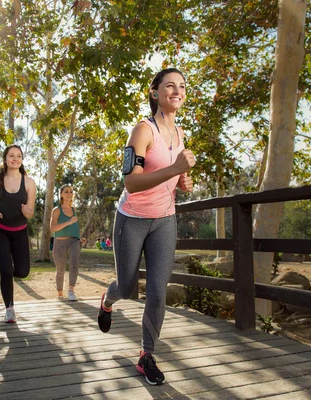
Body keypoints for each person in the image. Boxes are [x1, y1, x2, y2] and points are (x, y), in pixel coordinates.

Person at [97, 68, 195, 386]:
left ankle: (146, 355)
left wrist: (185, 179)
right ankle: (108, 300)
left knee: (156, 293)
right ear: (155, 93)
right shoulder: (142, 131)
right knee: (127, 289)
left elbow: (178, 179)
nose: (177, 90)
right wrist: (176, 168)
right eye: (170, 85)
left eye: (181, 86)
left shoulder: (179, 134)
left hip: (165, 221)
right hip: (132, 220)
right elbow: (132, 182)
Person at [0, 144, 37, 323]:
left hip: (19, 231)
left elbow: (31, 211)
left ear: (22, 160)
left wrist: (28, 211)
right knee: (8, 268)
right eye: (11, 155)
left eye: (18, 156)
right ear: (5, 159)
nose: (15, 158)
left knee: (23, 271)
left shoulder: (29, 182)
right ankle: (9, 309)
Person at [49, 184, 85, 301]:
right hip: (60, 243)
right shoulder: (56, 210)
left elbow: (75, 227)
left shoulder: (74, 209)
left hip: (74, 241)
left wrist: (80, 238)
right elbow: (52, 228)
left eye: (71, 192)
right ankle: (60, 293)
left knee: (74, 263)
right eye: (66, 192)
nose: (69, 194)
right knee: (60, 269)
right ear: (61, 194)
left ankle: (71, 290)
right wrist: (68, 222)